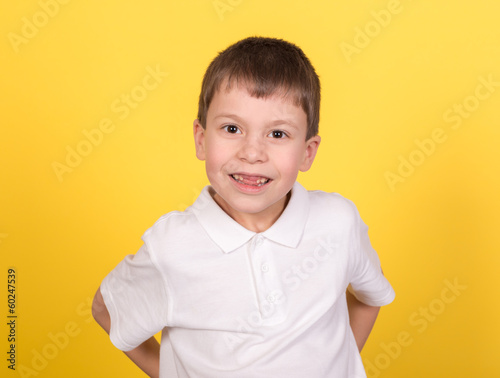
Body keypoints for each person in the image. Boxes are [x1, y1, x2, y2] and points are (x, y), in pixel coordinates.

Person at [92, 36, 395, 378]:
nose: (252, 152)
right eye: (232, 128)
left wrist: (340, 363)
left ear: (307, 152)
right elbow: (108, 309)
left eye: (277, 134)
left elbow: (372, 295)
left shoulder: (337, 223)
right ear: (202, 138)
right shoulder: (173, 246)